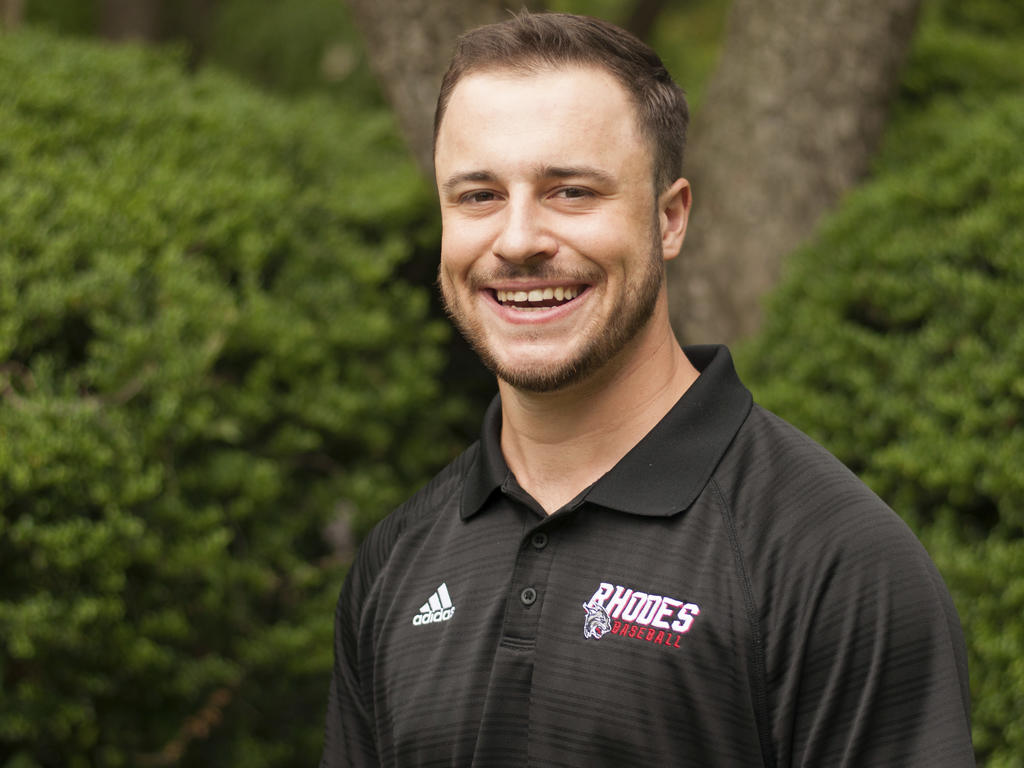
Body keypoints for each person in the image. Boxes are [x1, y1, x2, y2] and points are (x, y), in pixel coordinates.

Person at [321, 11, 974, 767]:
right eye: (478, 196)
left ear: (669, 219)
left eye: (570, 191)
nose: (518, 238)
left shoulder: (830, 562)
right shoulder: (398, 561)